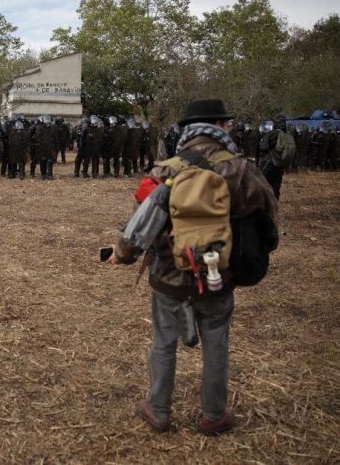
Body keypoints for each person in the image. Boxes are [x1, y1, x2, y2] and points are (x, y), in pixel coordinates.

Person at [106, 99, 278, 436]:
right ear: (220, 125)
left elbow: (139, 225)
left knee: (164, 342)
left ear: (188, 131)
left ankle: (158, 411)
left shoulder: (163, 170)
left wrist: (122, 254)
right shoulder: (243, 168)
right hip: (219, 274)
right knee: (216, 342)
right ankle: (213, 415)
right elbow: (268, 221)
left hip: (169, 277)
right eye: (226, 124)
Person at [259, 114, 288, 200]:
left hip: (268, 164)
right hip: (279, 166)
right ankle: (274, 210)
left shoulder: (272, 133)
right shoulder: (287, 135)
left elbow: (263, 147)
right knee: (276, 189)